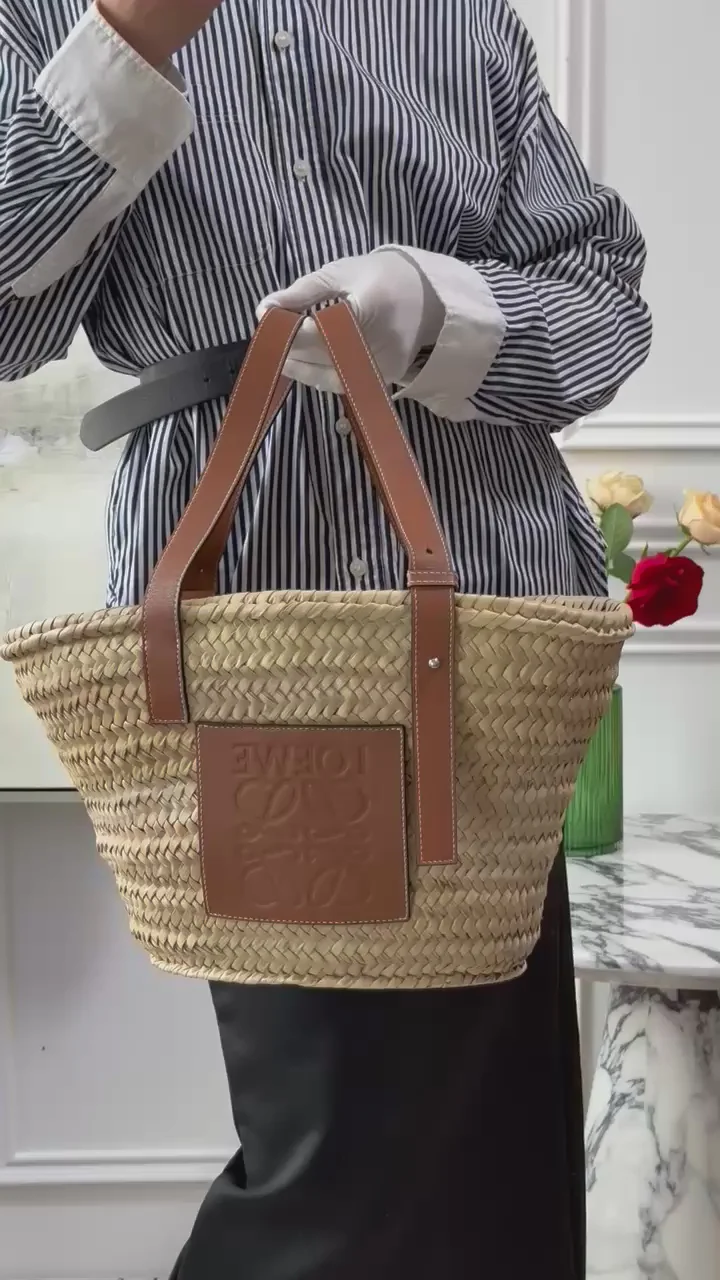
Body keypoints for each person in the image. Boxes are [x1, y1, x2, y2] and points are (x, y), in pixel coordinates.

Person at [0, 1, 652, 1275]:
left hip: (487, 611)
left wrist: (433, 310)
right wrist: (125, 41)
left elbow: (603, 313)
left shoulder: (460, 17)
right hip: (257, 612)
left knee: (496, 1152)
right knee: (338, 1156)